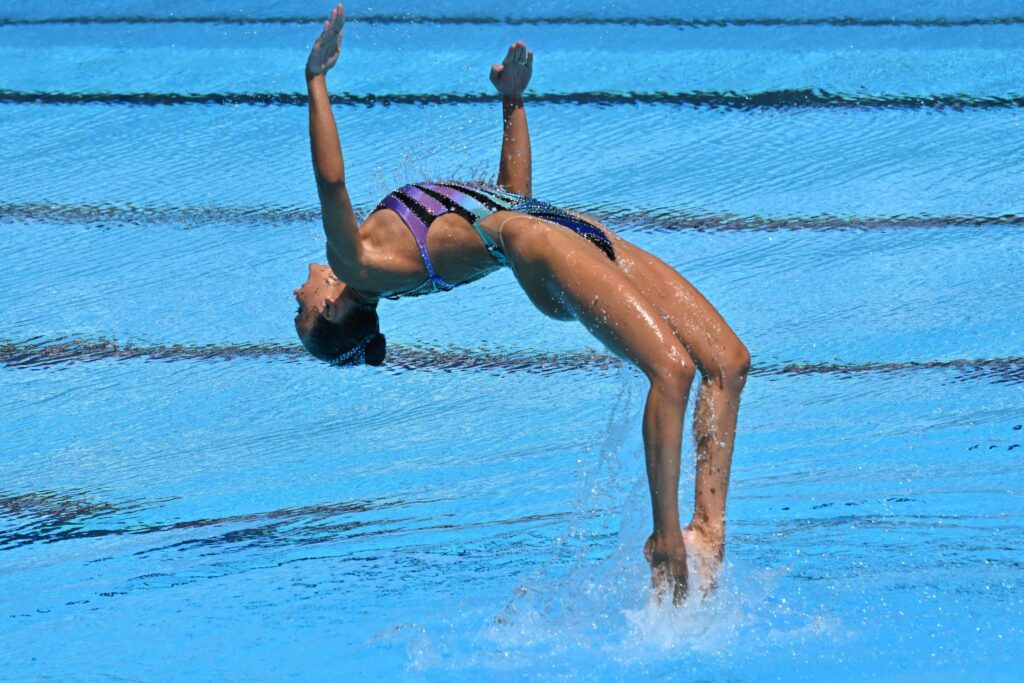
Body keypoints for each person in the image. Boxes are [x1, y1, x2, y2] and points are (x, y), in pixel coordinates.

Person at [294, 4, 750, 602]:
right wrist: (317, 83)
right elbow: (331, 182)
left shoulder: (393, 264)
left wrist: (512, 103)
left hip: (569, 231)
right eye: (299, 310)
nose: (298, 292)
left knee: (728, 362)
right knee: (672, 369)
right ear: (331, 307)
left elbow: (512, 198)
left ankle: (707, 534)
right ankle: (665, 542)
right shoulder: (360, 264)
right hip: (547, 248)